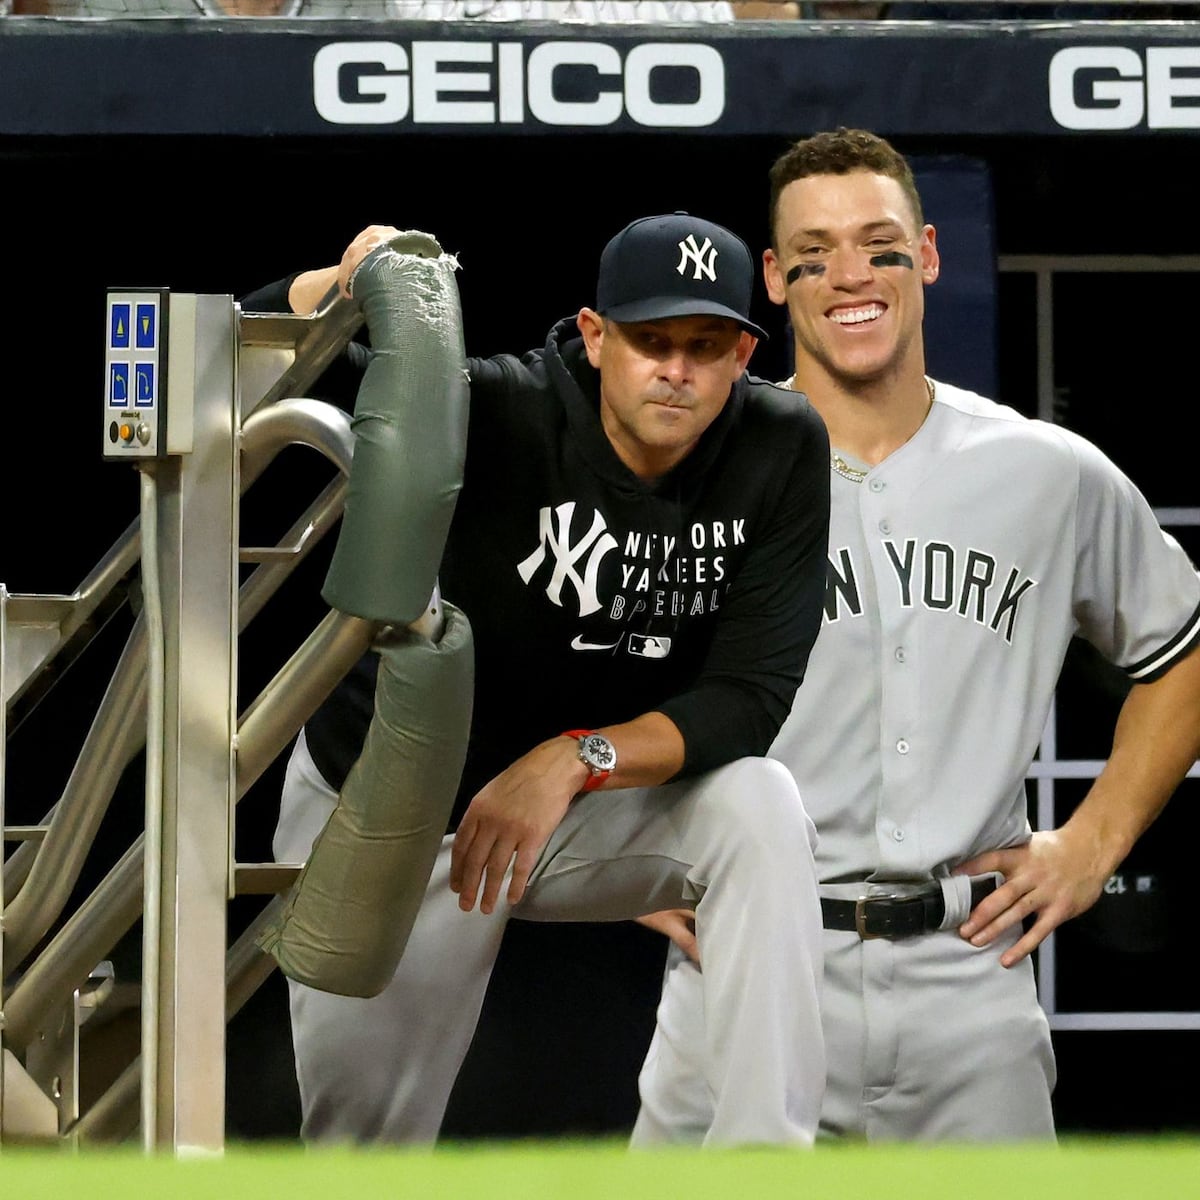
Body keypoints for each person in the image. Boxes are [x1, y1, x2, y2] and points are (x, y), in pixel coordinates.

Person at [632, 127, 1200, 1144]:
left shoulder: (1045, 472)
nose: (848, 274)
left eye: (878, 243)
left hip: (965, 981)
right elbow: (553, 663)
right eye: (813, 253)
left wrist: (1095, 840)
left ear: (928, 254)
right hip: (747, 965)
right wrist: (626, 855)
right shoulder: (687, 474)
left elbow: (1183, 652)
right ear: (772, 277)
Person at [253, 211, 832, 1146]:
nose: (676, 370)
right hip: (400, 803)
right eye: (650, 341)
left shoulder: (779, 442)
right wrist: (347, 278)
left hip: (571, 799)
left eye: (705, 344)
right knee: (363, 1149)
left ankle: (765, 1161)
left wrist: (571, 760)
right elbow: (263, 359)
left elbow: (750, 697)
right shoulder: (502, 407)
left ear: (742, 355)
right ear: (597, 338)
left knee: (759, 806)